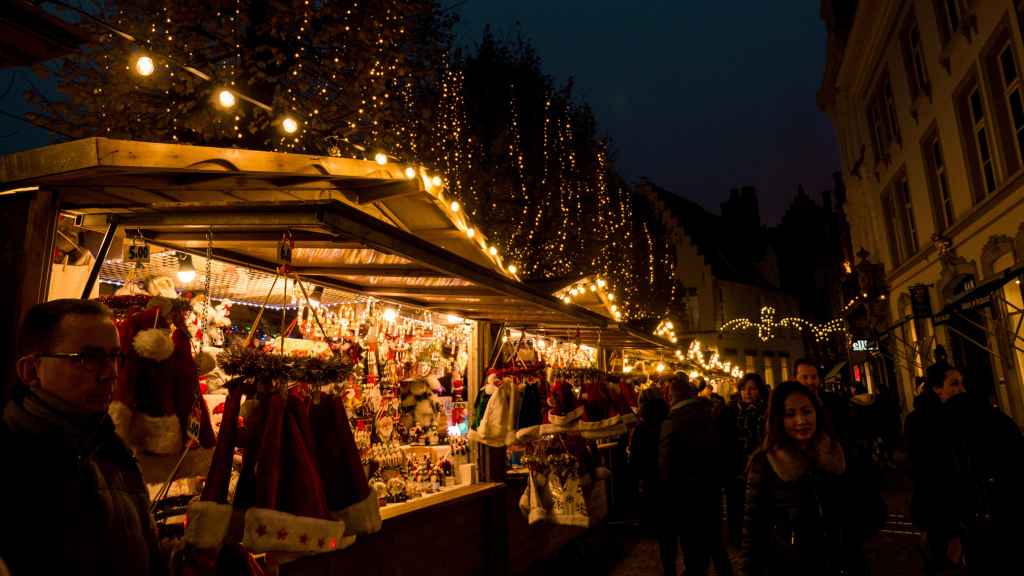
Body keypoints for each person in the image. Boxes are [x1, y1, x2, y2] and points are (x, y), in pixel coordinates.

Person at [0, 299, 164, 575]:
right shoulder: (12, 456)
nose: (111, 373)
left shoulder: (111, 447)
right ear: (31, 371)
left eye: (114, 356)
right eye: (89, 358)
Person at [739, 381, 867, 576]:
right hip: (789, 565)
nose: (801, 421)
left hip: (840, 562)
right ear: (778, 419)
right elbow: (752, 529)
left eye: (807, 411)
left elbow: (867, 508)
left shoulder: (838, 453)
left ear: (817, 413)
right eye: (790, 414)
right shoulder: (765, 463)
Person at [906, 364, 1023, 575]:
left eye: (962, 384)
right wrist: (949, 530)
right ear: (936, 388)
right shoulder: (924, 422)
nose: (960, 389)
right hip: (950, 518)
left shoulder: (973, 416)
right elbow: (929, 476)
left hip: (979, 515)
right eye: (954, 384)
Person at [659, 374, 733, 576]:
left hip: (685, 494)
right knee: (714, 543)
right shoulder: (709, 415)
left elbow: (666, 464)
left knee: (692, 548)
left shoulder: (672, 421)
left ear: (671, 397)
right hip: (710, 489)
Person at [722, 373, 768, 545]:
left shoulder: (766, 411)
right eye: (744, 389)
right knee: (736, 504)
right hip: (735, 467)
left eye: (753, 389)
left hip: (760, 465)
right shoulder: (728, 411)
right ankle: (737, 537)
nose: (748, 392)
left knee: (759, 504)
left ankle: (759, 537)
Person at [629, 387, 670, 536]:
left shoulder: (642, 426)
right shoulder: (668, 420)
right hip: (666, 472)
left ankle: (651, 528)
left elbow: (636, 455)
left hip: (648, 473)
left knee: (650, 501)